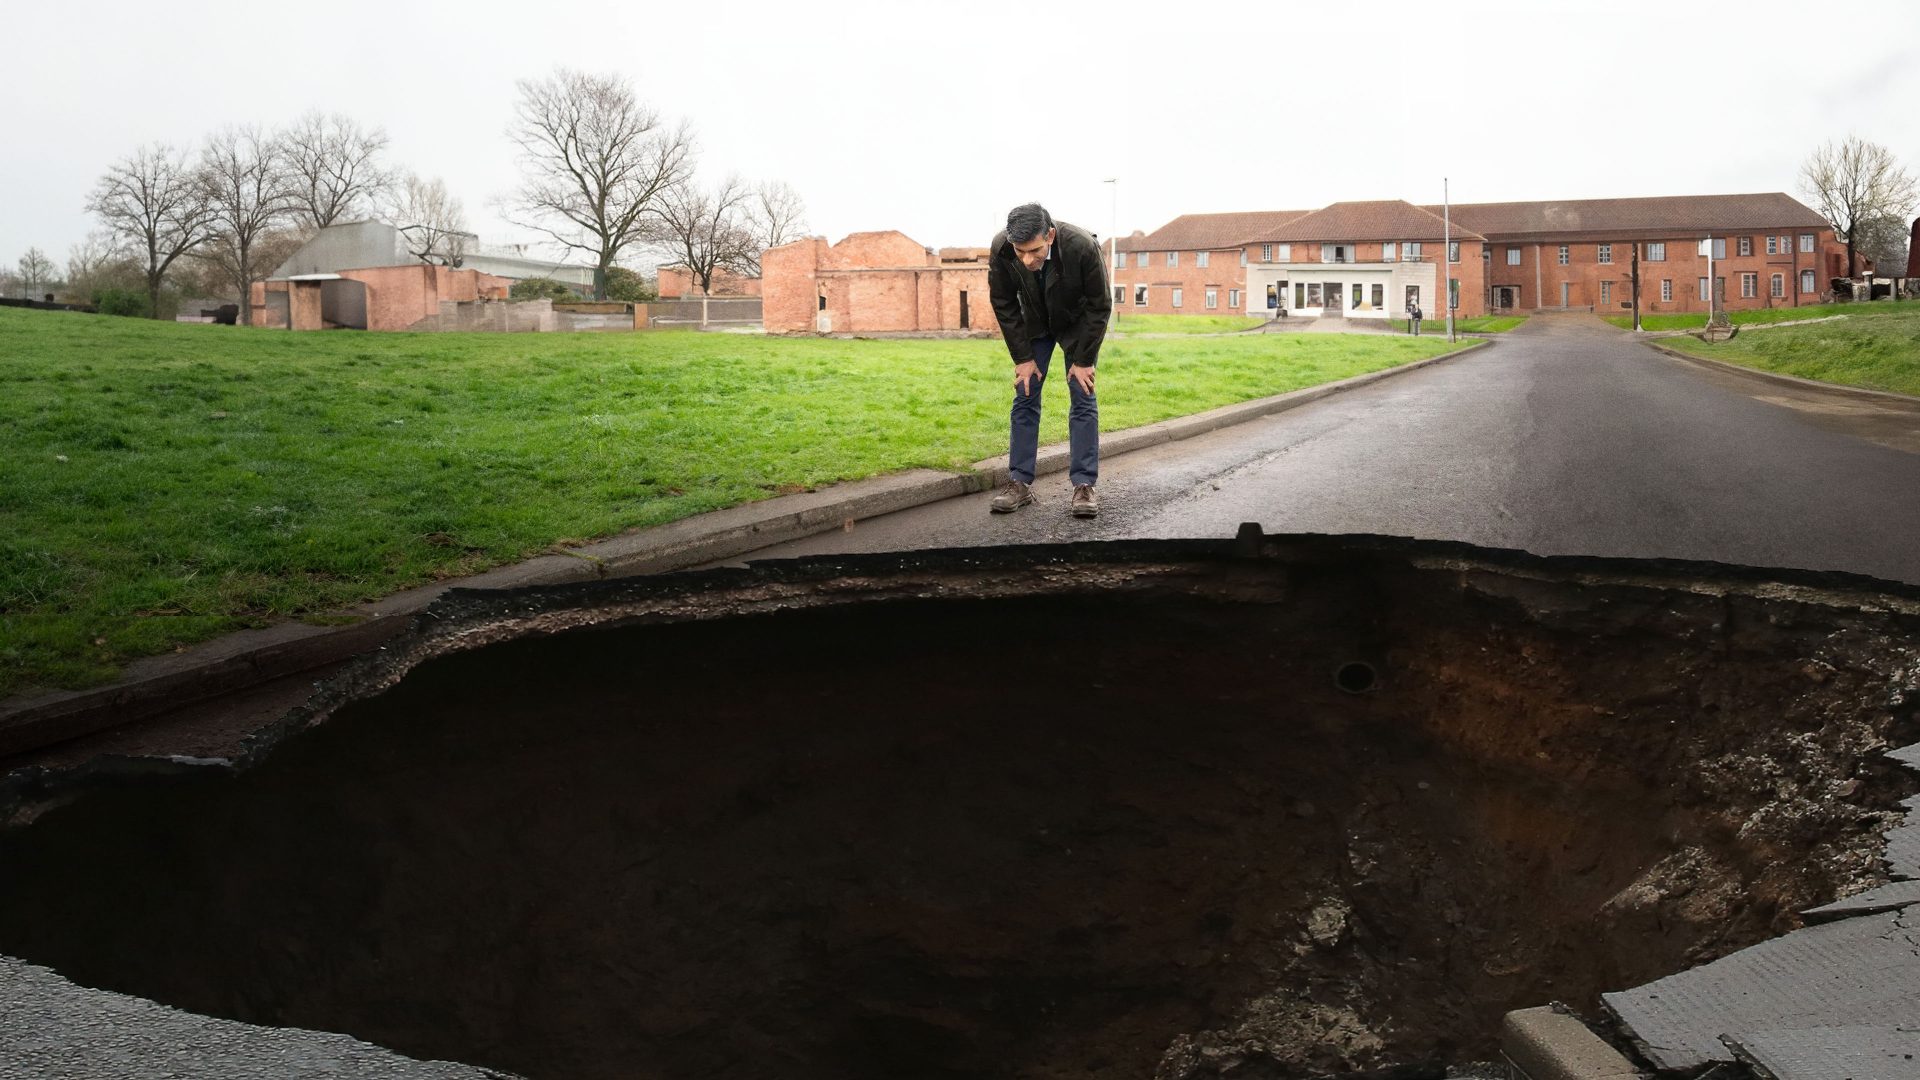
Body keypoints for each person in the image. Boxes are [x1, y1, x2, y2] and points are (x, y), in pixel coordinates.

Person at [986, 202, 1111, 518]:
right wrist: (1023, 357)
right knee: (1025, 391)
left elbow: (1100, 305)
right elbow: (1003, 302)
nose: (1027, 260)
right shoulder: (1002, 248)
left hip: (1077, 323)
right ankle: (1018, 482)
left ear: (1051, 235)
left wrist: (1083, 359)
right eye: (1020, 252)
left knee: (1082, 394)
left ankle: (1084, 486)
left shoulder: (1082, 246)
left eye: (1035, 251)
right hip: (1036, 324)